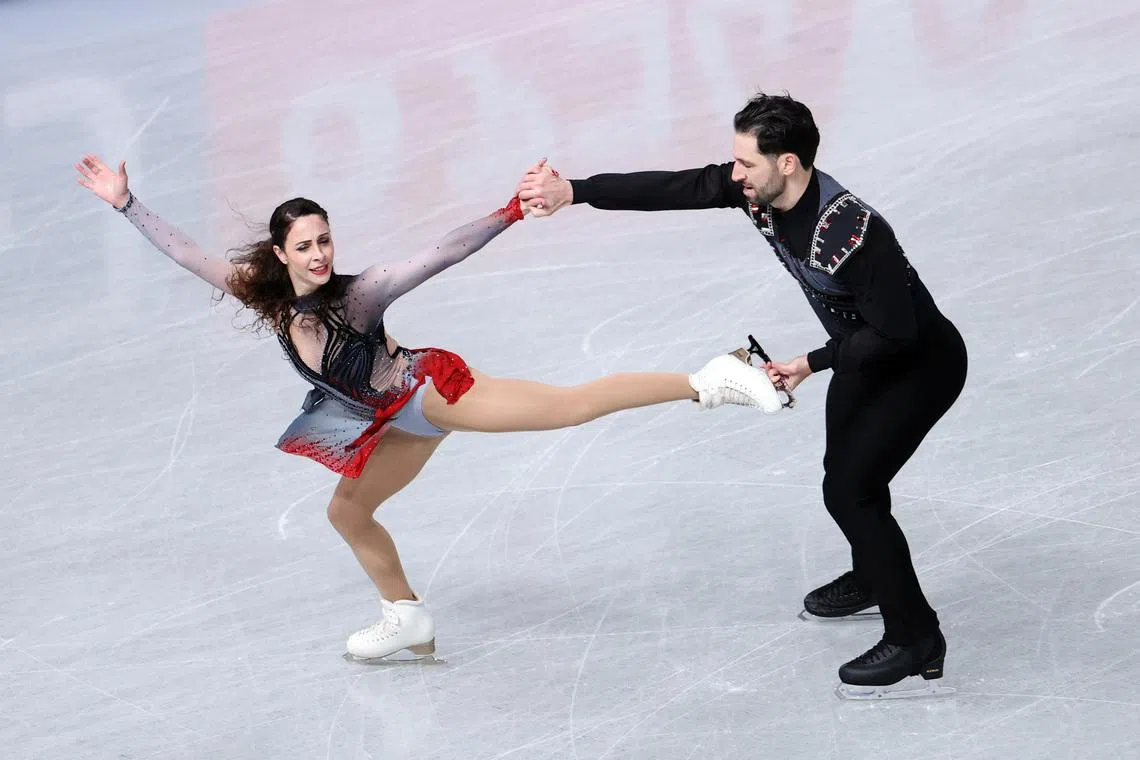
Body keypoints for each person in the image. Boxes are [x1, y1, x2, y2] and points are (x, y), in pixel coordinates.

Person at [74, 153, 784, 663]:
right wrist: (126, 204)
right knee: (346, 512)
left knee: (571, 407)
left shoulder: (361, 293)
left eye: (325, 240)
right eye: (306, 245)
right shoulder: (262, 293)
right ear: (279, 253)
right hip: (393, 425)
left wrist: (510, 212)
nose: (321, 254)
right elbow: (189, 254)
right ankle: (406, 617)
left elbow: (441, 253)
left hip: (434, 395)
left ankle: (710, 378)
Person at [516, 93, 968, 694]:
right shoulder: (761, 191)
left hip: (920, 364)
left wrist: (811, 362)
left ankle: (916, 639)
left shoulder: (853, 231)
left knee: (850, 491)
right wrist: (576, 189)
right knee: (848, 474)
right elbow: (680, 187)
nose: (734, 175)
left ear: (787, 163)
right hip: (861, 356)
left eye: (745, 164)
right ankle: (874, 575)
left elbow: (896, 334)